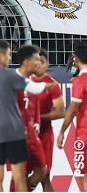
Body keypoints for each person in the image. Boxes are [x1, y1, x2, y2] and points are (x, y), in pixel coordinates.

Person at [0, 40, 53, 192]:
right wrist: (46, 86)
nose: (9, 58)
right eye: (8, 55)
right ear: (1, 55)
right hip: (15, 133)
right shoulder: (11, 76)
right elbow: (33, 88)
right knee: (19, 175)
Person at [13, 45, 47, 191]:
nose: (39, 63)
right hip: (17, 137)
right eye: (36, 60)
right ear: (26, 62)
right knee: (18, 176)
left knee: (41, 171)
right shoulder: (12, 81)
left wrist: (38, 121)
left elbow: (35, 104)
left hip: (33, 135)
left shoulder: (33, 81)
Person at [31, 49, 64, 192]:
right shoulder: (25, 83)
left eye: (42, 61)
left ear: (47, 64)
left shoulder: (53, 85)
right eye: (36, 61)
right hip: (26, 134)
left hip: (44, 134)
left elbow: (61, 112)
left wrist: (37, 118)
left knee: (45, 174)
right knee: (24, 173)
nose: (39, 64)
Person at [57, 40, 87, 192]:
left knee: (84, 174)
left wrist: (62, 132)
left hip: (84, 135)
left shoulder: (80, 81)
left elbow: (73, 108)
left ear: (75, 59)